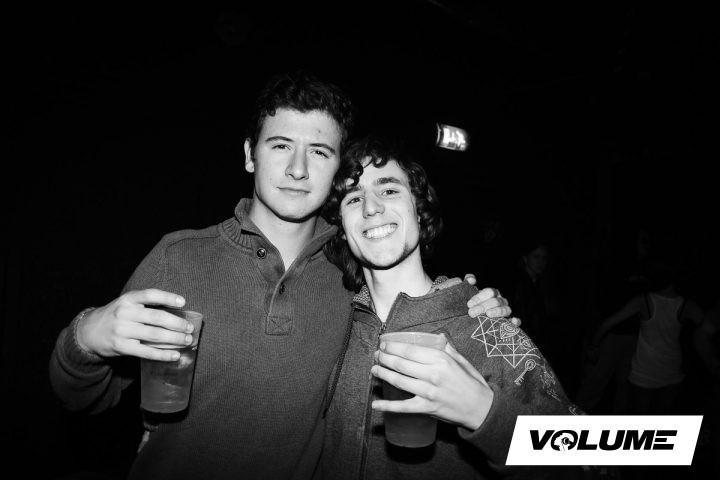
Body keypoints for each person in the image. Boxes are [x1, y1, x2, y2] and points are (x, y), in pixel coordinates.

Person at [48, 72, 511, 480]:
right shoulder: (179, 257)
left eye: (319, 152)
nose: (297, 169)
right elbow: (83, 399)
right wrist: (85, 338)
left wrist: (485, 404)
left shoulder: (362, 281)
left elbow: (562, 447)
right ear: (250, 155)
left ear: (337, 170)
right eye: (281, 145)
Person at [318, 136, 582, 480]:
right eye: (354, 198)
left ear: (418, 209)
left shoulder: (484, 325)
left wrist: (485, 413)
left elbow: (586, 461)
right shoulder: (332, 322)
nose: (371, 208)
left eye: (389, 190)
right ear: (341, 226)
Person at [588, 259, 705, 415]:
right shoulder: (687, 305)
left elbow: (607, 324)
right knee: (661, 420)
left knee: (639, 419)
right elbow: (708, 330)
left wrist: (594, 345)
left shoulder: (643, 301)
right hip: (672, 372)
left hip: (644, 374)